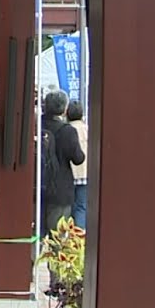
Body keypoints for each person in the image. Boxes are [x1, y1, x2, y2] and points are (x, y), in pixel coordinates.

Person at [41, 91, 86, 237]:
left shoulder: (37, 125)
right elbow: (78, 158)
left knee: (37, 234)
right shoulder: (67, 131)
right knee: (57, 237)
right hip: (60, 189)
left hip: (38, 186)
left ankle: (32, 259)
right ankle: (54, 259)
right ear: (64, 109)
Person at [67, 100, 89, 229]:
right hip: (85, 173)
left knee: (69, 206)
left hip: (69, 174)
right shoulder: (87, 128)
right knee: (81, 206)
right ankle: (79, 235)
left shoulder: (66, 129)